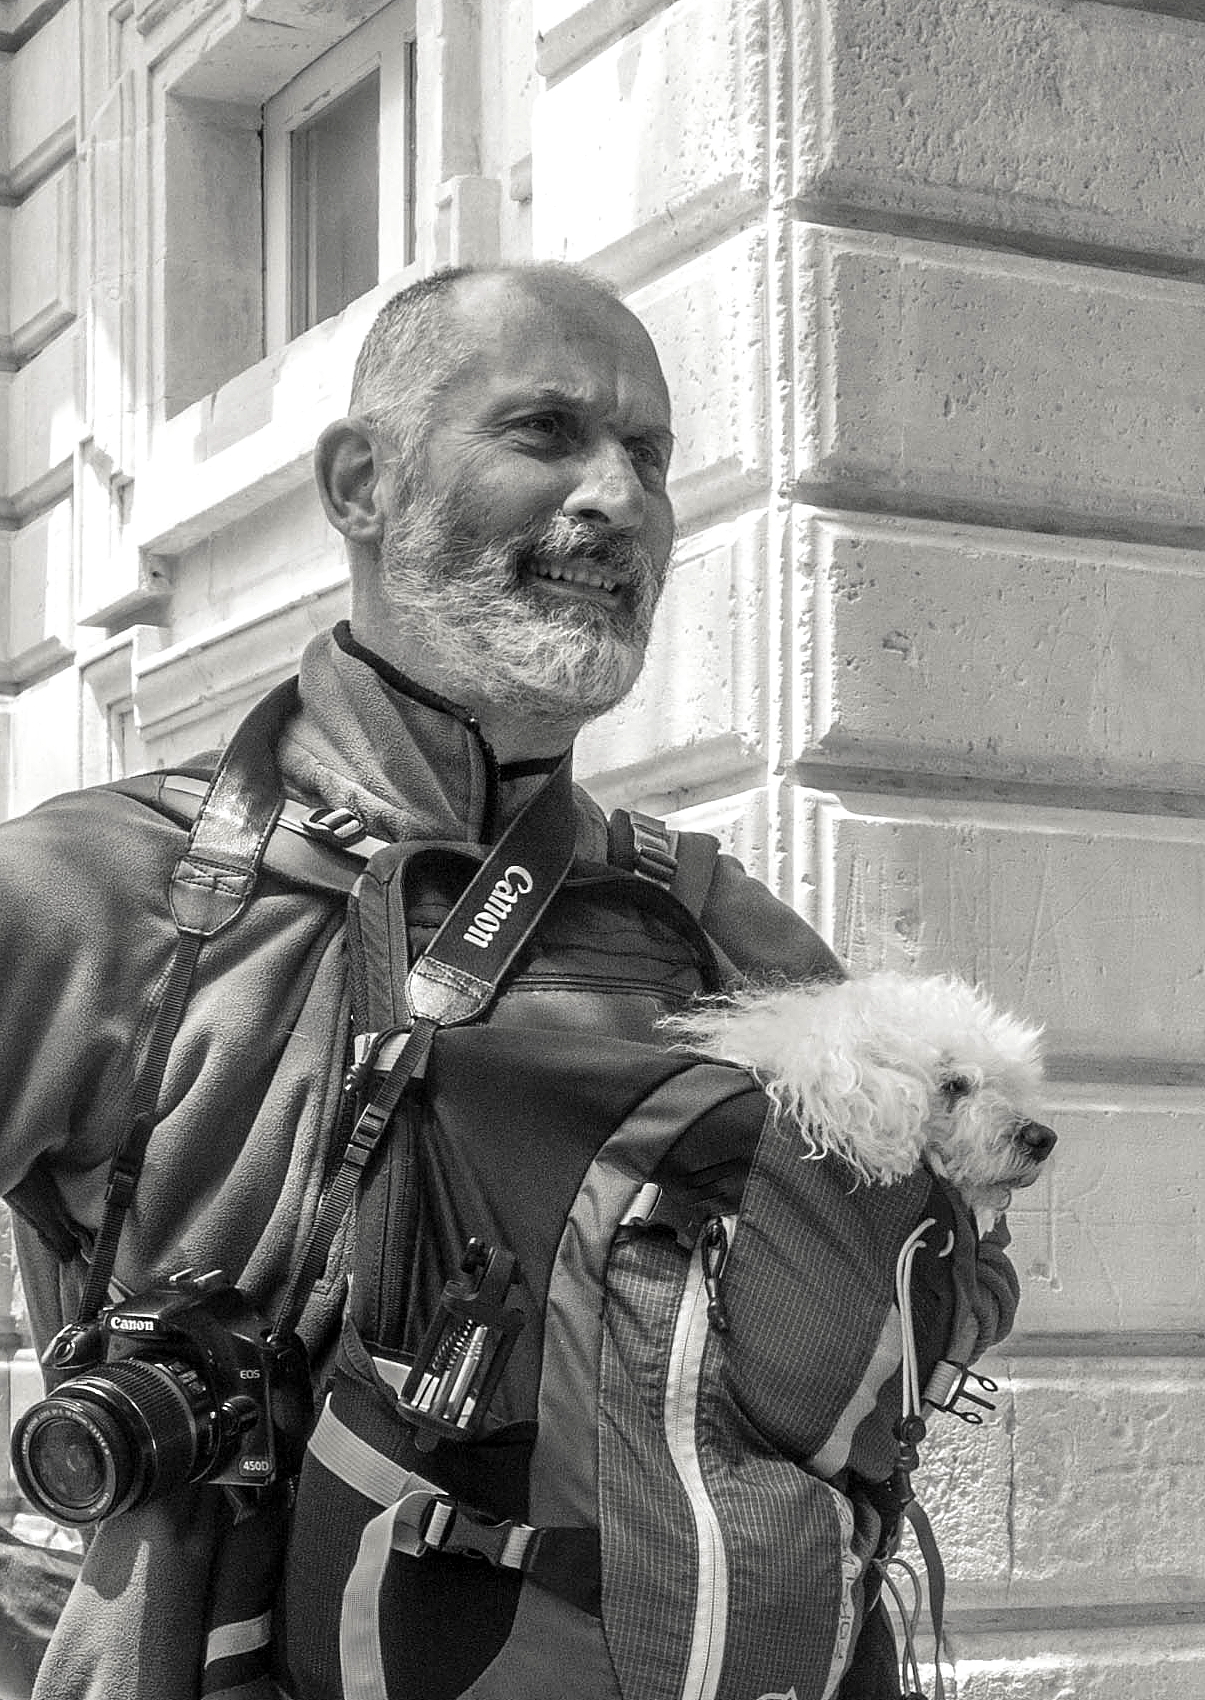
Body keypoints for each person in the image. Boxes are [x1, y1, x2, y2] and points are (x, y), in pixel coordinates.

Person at [0, 263, 1018, 1699]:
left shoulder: (727, 930)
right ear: (360, 480)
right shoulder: (100, 889)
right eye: (544, 431)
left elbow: (940, 1293)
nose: (615, 496)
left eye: (648, 455)